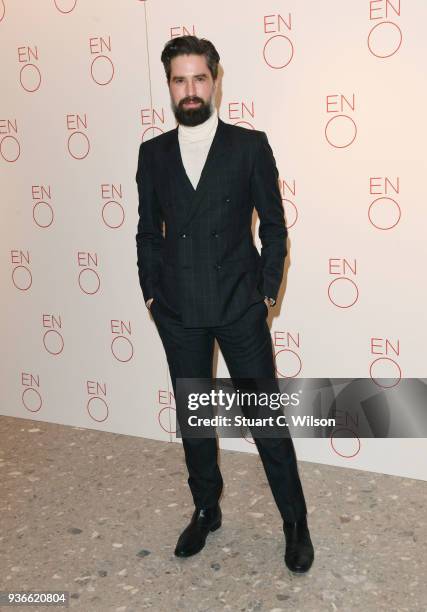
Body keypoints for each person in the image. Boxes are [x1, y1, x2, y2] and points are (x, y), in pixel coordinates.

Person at [135, 35, 314, 573]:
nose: (189, 91)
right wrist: (151, 290)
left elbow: (276, 228)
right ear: (169, 85)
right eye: (178, 80)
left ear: (215, 81)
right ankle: (206, 508)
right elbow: (148, 231)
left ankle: (294, 521)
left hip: (239, 306)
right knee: (196, 422)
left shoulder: (248, 145)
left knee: (266, 422)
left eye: (199, 79)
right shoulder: (153, 153)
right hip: (179, 311)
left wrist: (264, 294)